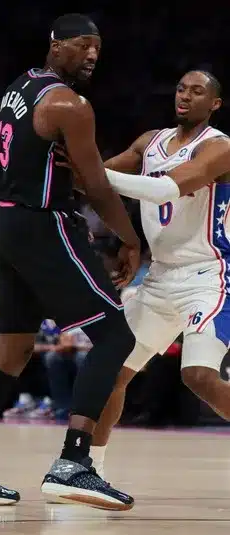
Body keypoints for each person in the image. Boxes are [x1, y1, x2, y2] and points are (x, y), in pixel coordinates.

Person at [0, 14, 140, 510]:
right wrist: (130, 240)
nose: (92, 54)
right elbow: (94, 184)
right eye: (82, 45)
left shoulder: (19, 87)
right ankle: (74, 464)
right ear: (56, 45)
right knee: (116, 335)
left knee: (13, 348)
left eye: (98, 47)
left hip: (4, 224)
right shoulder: (71, 104)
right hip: (41, 222)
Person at [73, 71, 229, 477]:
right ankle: (92, 472)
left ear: (214, 104)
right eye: (180, 88)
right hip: (159, 277)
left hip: (208, 276)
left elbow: (161, 190)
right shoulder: (149, 142)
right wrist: (60, 162)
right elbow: (94, 181)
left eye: (197, 92)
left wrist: (92, 172)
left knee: (198, 376)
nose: (185, 96)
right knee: (110, 372)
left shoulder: (219, 147)